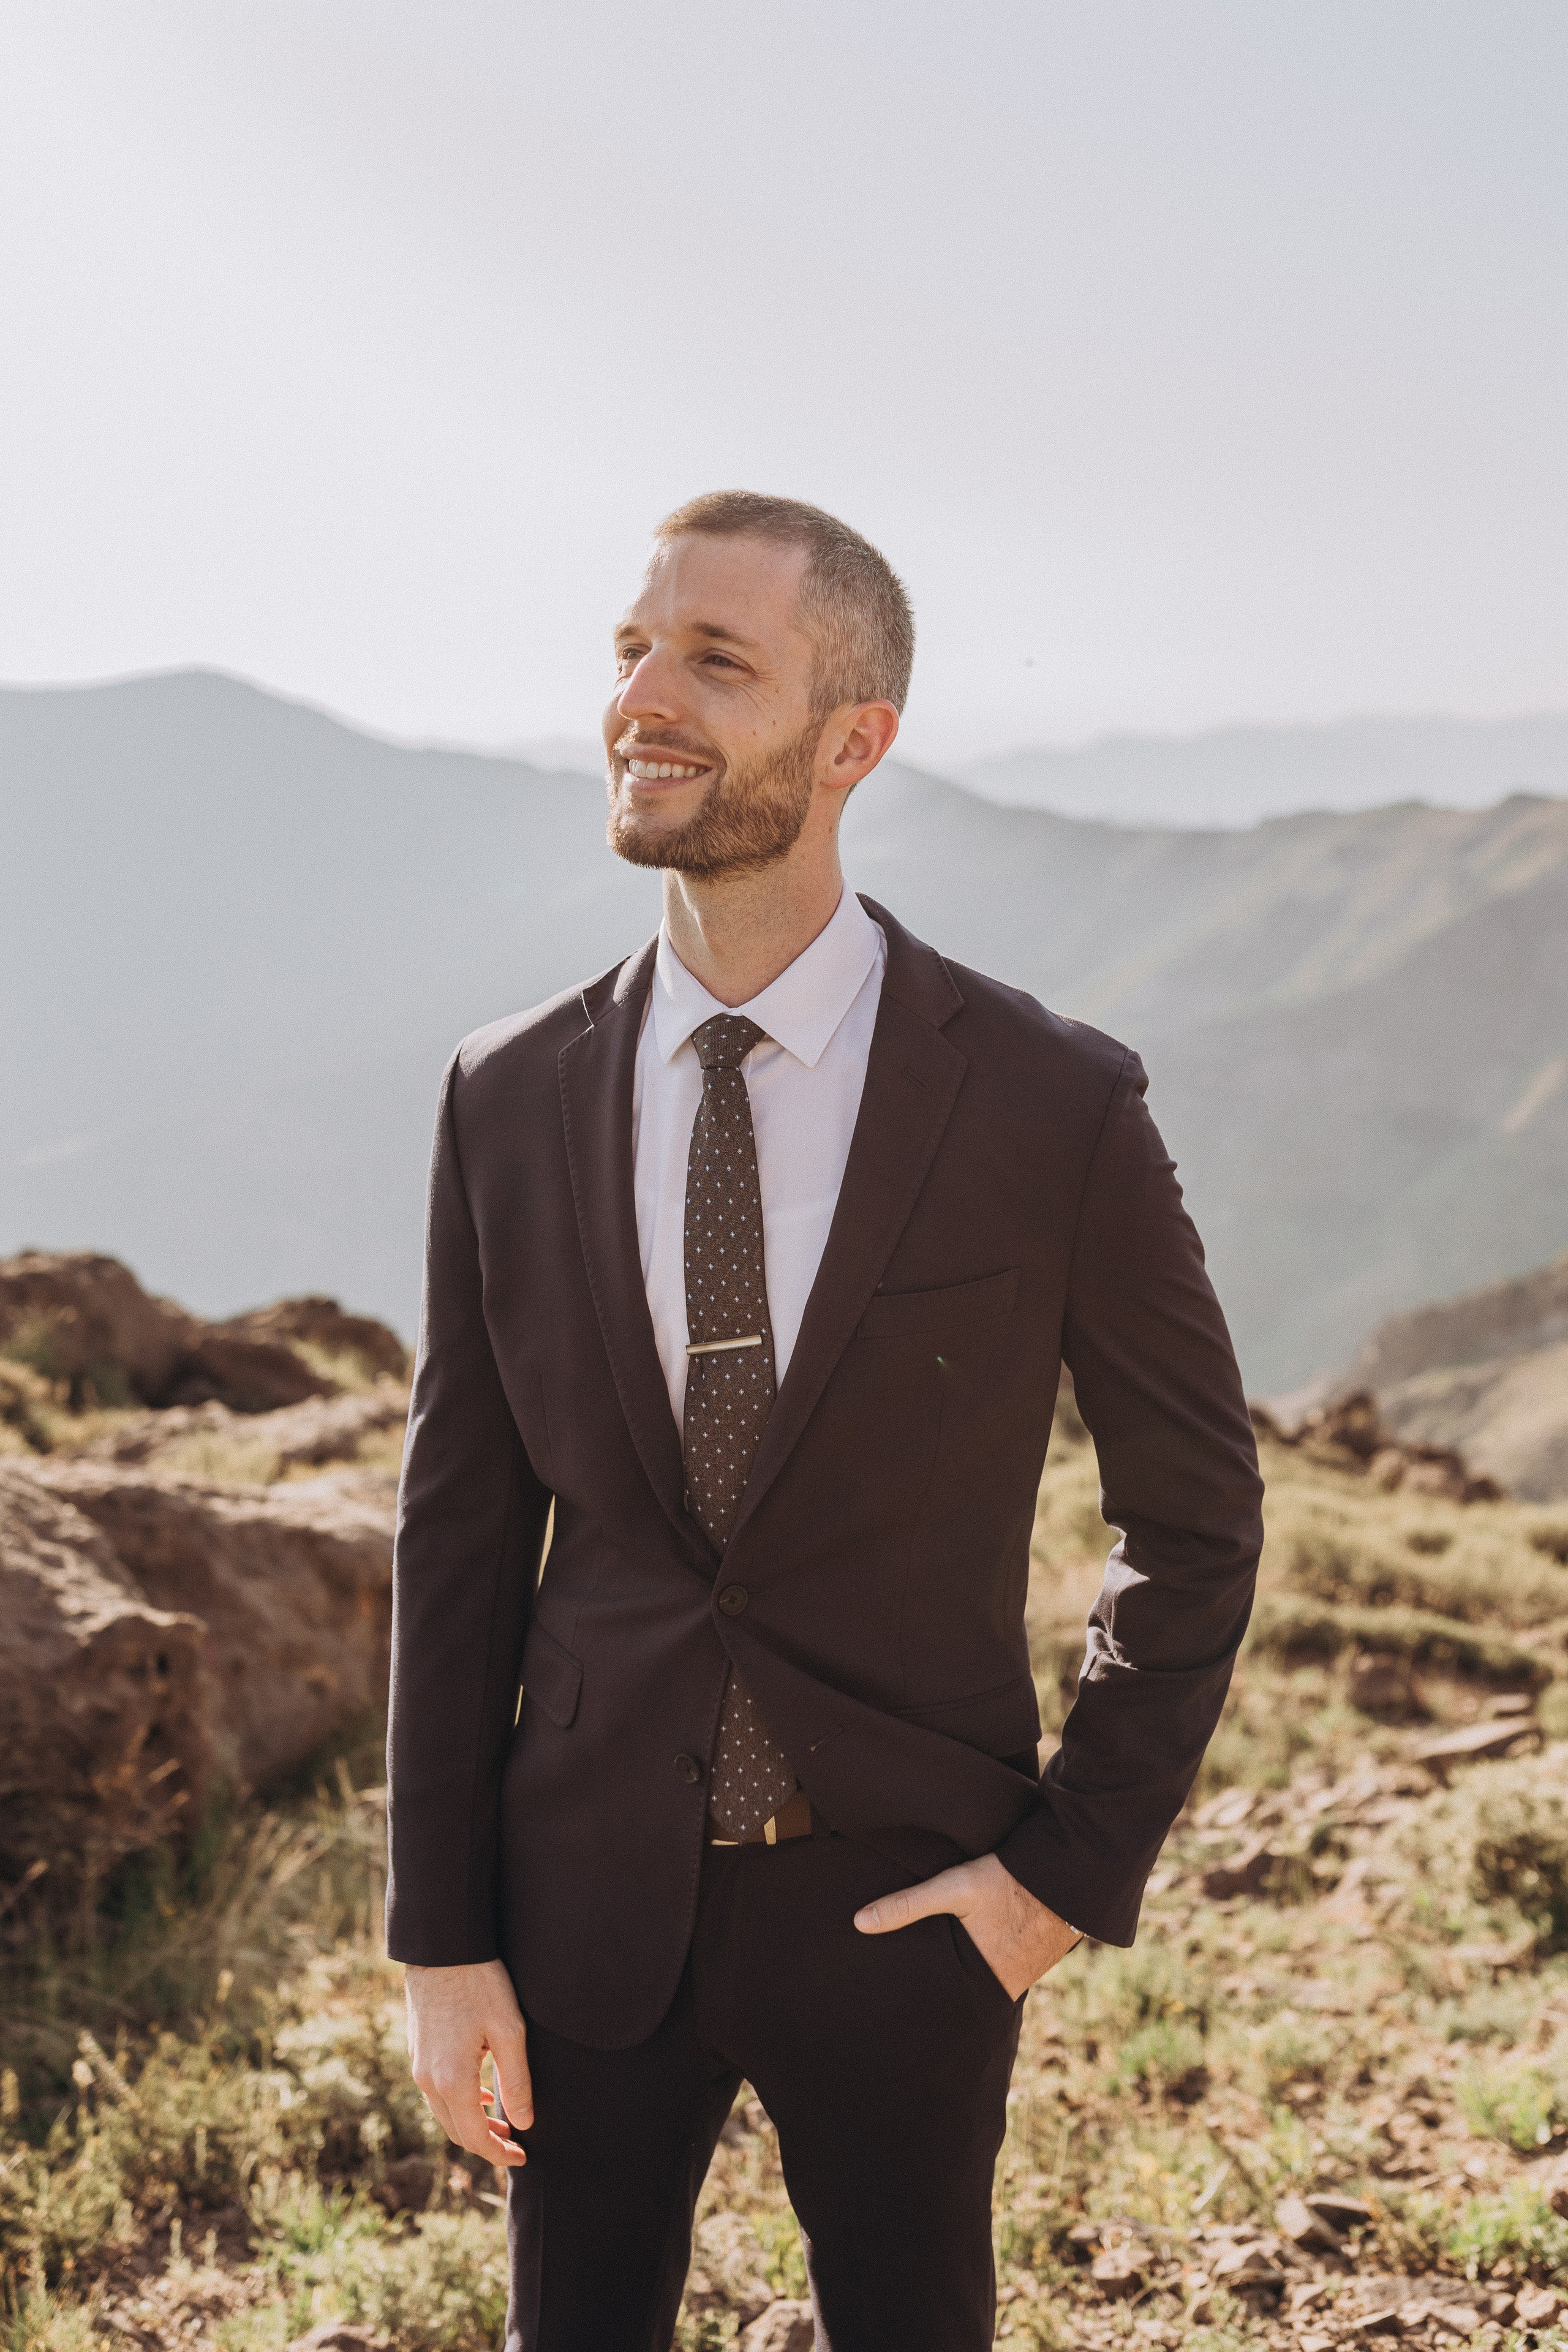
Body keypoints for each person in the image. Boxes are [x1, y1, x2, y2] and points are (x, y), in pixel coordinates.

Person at [386, 491, 1264, 2352]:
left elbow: (1196, 1519)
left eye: (717, 658)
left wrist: (1055, 1881)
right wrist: (440, 1936)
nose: (645, 697)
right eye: (631, 649)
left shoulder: (1051, 1102)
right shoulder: (502, 1093)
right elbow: (460, 1538)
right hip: (576, 1913)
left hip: (911, 1914)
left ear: (852, 739)